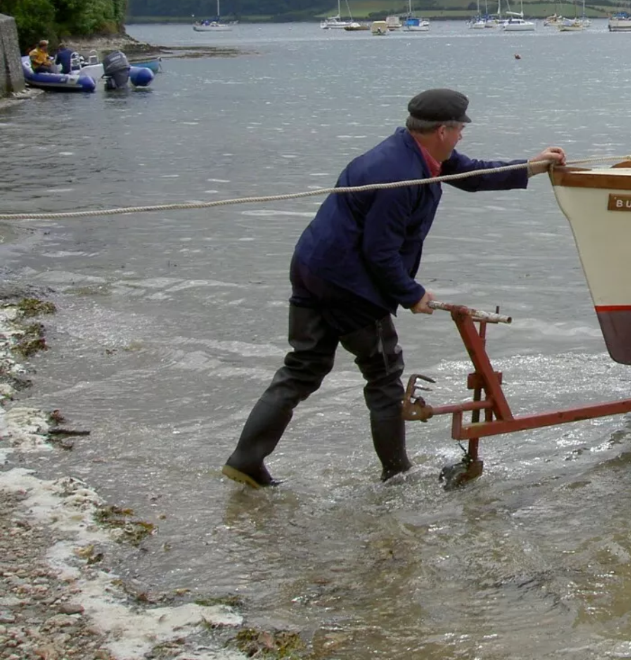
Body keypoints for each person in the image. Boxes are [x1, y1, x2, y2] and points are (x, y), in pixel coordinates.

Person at [222, 88, 566, 488]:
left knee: (303, 368)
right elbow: (380, 251)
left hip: (312, 267)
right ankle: (397, 474)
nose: (461, 136)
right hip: (348, 283)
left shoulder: (417, 151)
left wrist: (530, 167)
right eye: (460, 129)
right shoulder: (398, 173)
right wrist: (412, 293)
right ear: (442, 130)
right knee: (385, 376)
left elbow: (471, 174)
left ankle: (245, 461)